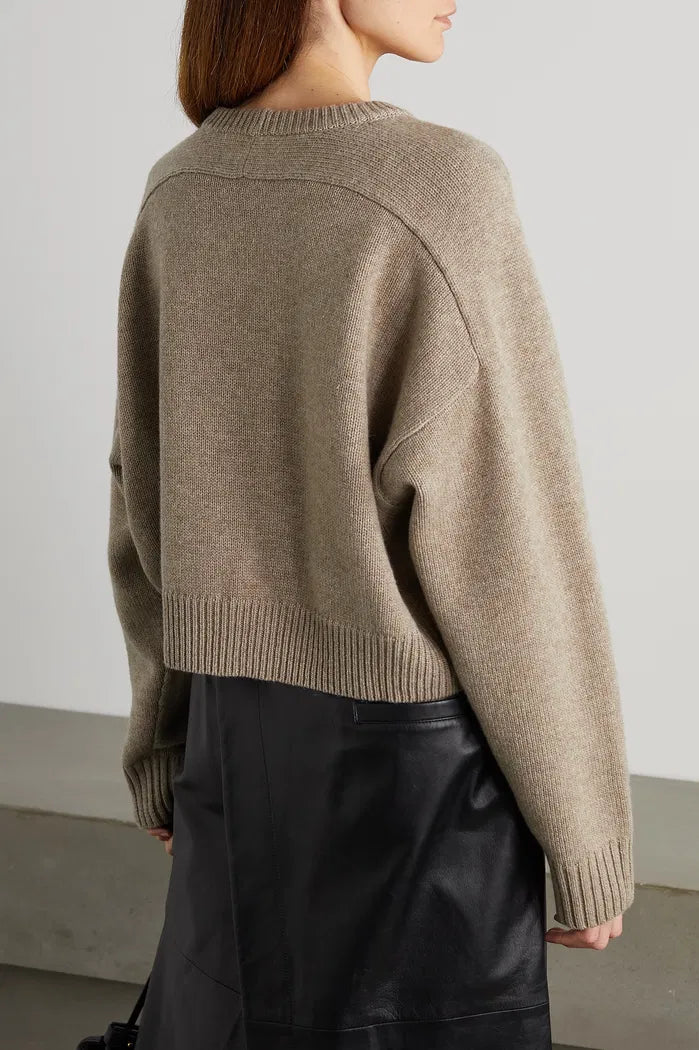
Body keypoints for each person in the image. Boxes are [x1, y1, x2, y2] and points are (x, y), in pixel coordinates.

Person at [106, 1, 635, 1047]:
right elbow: (508, 533)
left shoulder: (181, 186)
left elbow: (144, 489)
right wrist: (584, 836)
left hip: (233, 744)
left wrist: (163, 746)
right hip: (416, 782)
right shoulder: (440, 184)